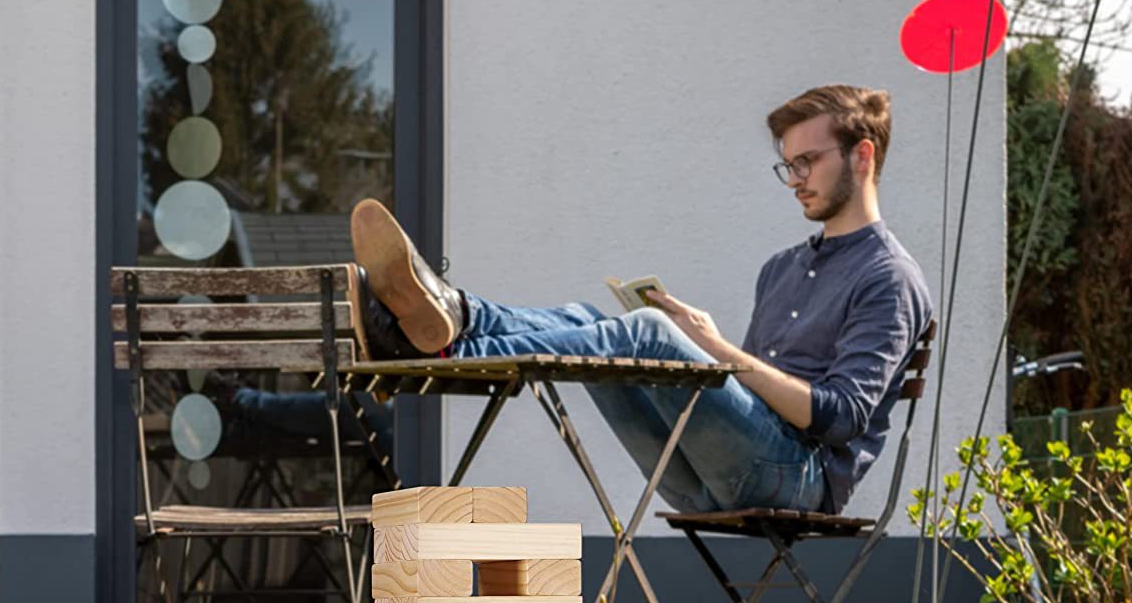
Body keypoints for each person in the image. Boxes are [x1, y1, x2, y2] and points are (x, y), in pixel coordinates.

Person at [346, 83, 935, 515]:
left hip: (798, 481)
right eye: (788, 165)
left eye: (808, 161)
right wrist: (709, 346)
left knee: (651, 332)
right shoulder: (781, 269)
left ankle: (445, 347)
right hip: (706, 475)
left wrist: (712, 348)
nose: (797, 178)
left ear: (862, 157)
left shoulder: (889, 279)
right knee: (588, 319)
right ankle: (460, 314)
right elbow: (755, 399)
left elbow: (839, 418)